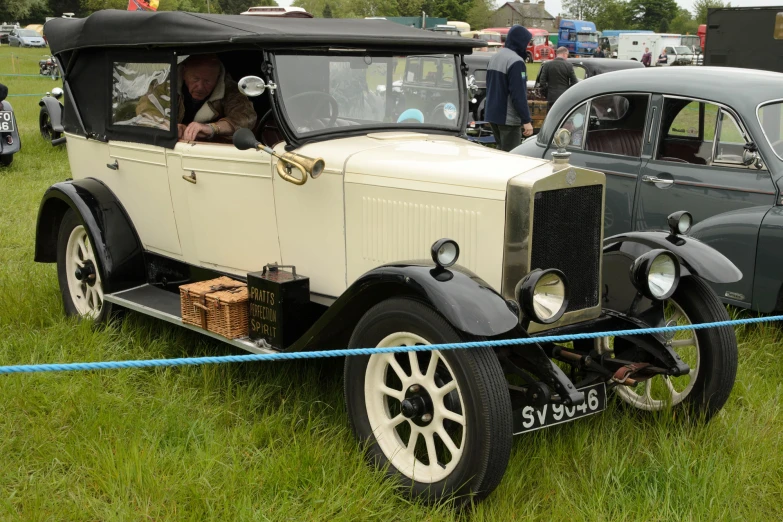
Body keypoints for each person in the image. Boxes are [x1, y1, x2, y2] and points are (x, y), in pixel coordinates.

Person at [137, 54, 256, 141]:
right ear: (183, 73)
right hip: (171, 145)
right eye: (195, 79)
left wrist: (212, 128)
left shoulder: (229, 88)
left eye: (207, 81)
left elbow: (245, 117)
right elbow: (145, 111)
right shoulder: (164, 84)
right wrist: (167, 127)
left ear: (218, 77)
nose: (200, 87)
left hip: (209, 149)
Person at [485, 25, 534, 152]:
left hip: (493, 115)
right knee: (512, 157)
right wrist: (526, 120)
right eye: (526, 42)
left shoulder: (495, 57)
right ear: (520, 41)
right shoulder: (516, 61)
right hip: (508, 118)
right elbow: (518, 95)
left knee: (501, 153)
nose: (527, 46)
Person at [537, 47, 579, 111]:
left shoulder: (547, 65)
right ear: (564, 54)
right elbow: (575, 82)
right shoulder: (568, 65)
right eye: (567, 55)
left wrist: (547, 92)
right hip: (563, 96)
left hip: (551, 96)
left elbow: (542, 82)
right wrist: (567, 90)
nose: (567, 57)